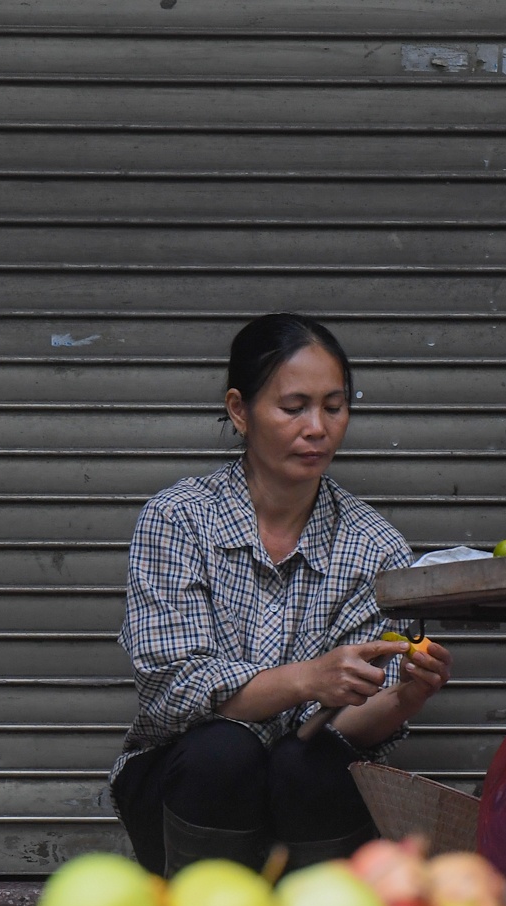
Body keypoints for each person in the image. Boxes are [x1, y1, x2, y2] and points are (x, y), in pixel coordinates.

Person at [112, 314, 452, 875]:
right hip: (187, 785)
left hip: (306, 803)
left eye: (334, 406)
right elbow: (173, 691)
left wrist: (404, 699)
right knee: (224, 751)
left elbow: (346, 730)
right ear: (240, 410)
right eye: (293, 408)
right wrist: (307, 678)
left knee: (311, 761)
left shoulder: (376, 547)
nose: (317, 427)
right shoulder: (179, 520)